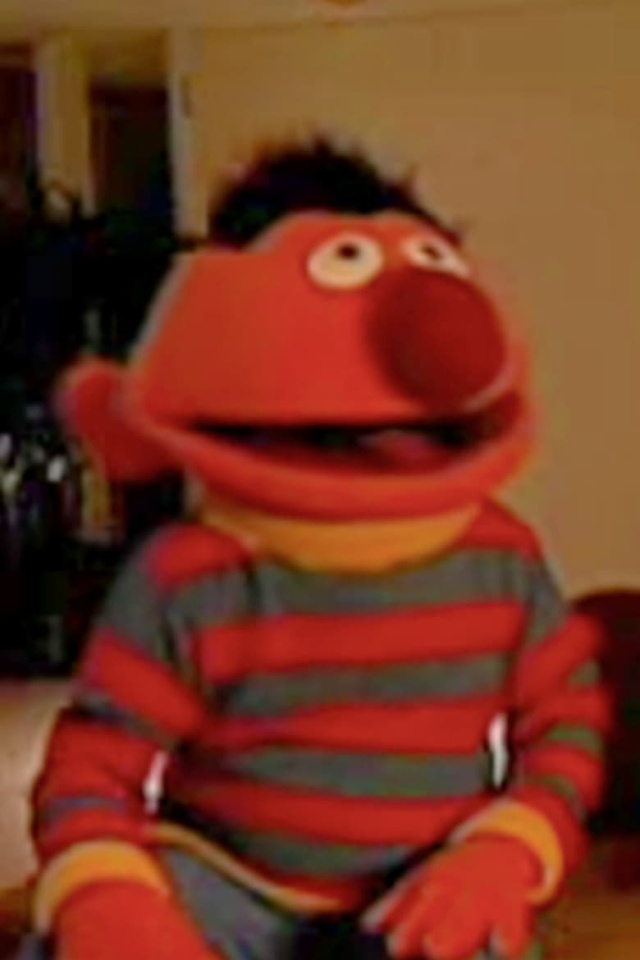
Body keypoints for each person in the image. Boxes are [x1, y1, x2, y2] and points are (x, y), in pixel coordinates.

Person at [18, 140, 607, 960]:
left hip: (427, 884)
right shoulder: (191, 572)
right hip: (228, 879)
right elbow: (93, 765)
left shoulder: (499, 557)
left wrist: (510, 846)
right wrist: (104, 889)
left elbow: (567, 725)